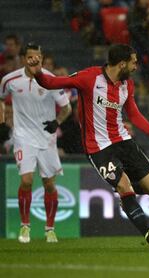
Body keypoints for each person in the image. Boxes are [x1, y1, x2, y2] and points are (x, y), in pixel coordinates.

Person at [26, 44, 149, 251]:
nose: (135, 66)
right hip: (98, 147)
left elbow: (133, 113)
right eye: (133, 62)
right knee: (123, 186)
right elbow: (52, 82)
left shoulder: (127, 85)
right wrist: (39, 72)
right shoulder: (89, 78)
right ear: (122, 63)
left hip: (123, 140)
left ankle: (126, 197)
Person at [0, 43, 72, 243]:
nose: (35, 60)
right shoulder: (10, 80)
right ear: (24, 59)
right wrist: (1, 122)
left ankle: (50, 228)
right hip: (23, 136)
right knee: (26, 181)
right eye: (31, 57)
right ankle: (25, 226)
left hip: (46, 138)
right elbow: (1, 98)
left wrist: (56, 122)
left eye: (38, 57)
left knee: (49, 184)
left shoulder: (51, 80)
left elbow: (67, 109)